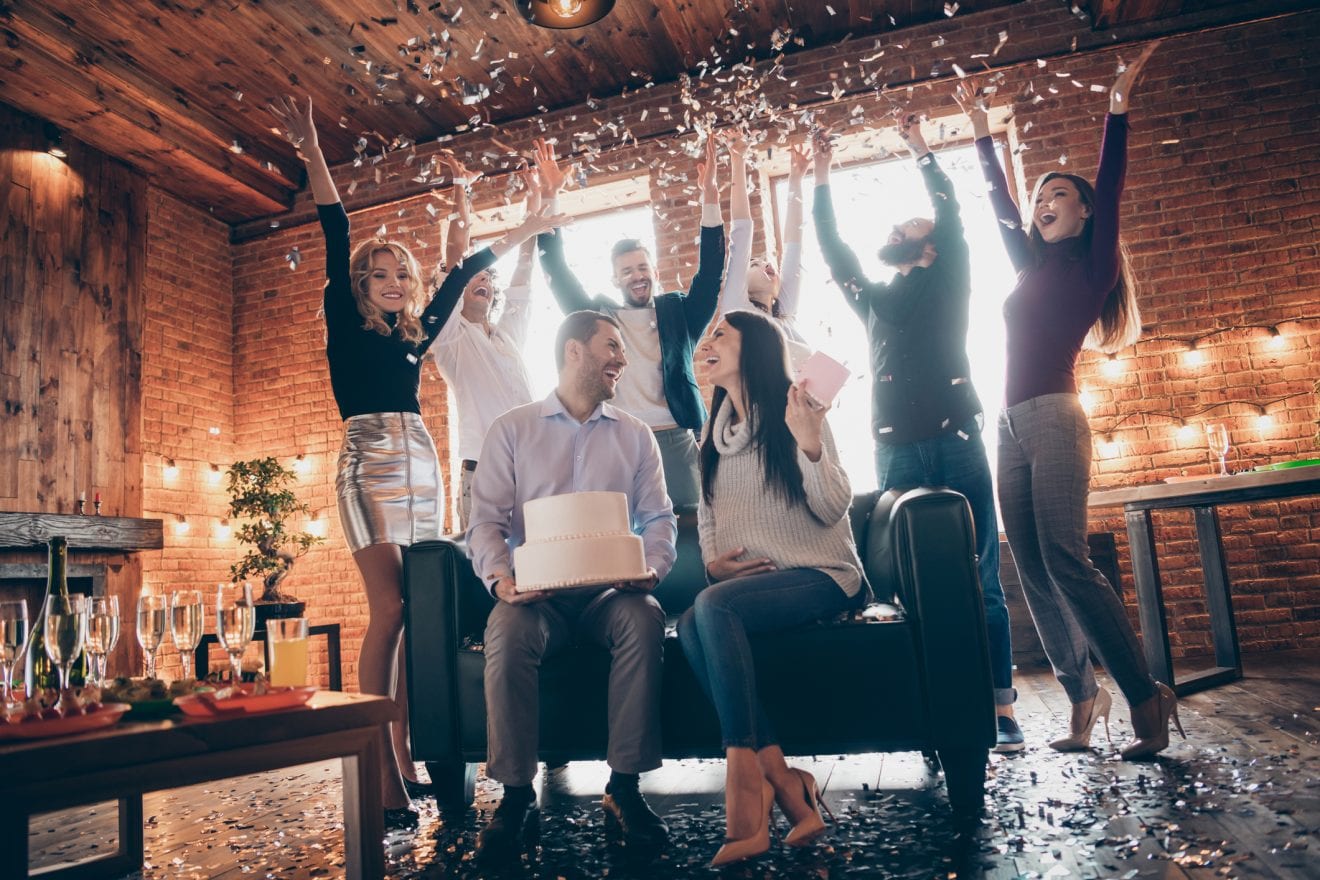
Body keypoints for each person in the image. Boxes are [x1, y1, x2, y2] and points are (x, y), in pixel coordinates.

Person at [267, 96, 567, 828]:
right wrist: (312, 149)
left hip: (423, 464)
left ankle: (405, 753)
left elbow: (467, 268)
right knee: (391, 609)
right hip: (367, 462)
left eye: (403, 275)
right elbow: (336, 230)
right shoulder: (345, 318)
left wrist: (535, 217)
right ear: (361, 286)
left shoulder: (417, 335)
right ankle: (377, 766)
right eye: (383, 276)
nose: (397, 283)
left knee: (420, 613)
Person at [959, 42, 1183, 760]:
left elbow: (1111, 183)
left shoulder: (1093, 266)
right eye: (1041, 197)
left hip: (1056, 417)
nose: (1043, 203)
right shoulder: (1030, 268)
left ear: (1084, 215)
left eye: (1058, 195)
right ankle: (1082, 696)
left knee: (1066, 557)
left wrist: (1117, 104)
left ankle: (1146, 695)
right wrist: (981, 133)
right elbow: (1000, 207)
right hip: (1008, 424)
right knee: (1028, 563)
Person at [810, 112, 1023, 752]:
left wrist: (920, 147)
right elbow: (835, 245)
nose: (898, 230)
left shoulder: (951, 275)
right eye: (896, 228)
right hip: (894, 450)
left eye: (911, 226)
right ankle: (933, 704)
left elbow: (950, 212)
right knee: (906, 580)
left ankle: (1000, 706)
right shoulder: (873, 298)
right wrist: (820, 173)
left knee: (979, 573)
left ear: (931, 243)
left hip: (956, 438)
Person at [467, 310, 678, 860]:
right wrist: (502, 579)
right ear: (574, 351)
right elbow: (485, 521)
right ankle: (516, 797)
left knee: (645, 613)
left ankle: (624, 790)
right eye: (612, 346)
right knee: (506, 628)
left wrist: (651, 568)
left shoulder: (636, 437)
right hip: (537, 599)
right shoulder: (512, 429)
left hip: (611, 595)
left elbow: (659, 518)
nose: (622, 359)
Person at [678, 310, 865, 866]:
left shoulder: (796, 409)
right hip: (751, 586)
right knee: (694, 617)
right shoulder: (712, 433)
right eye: (707, 333)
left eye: (720, 335)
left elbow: (833, 507)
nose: (706, 342)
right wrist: (715, 567)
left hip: (820, 573)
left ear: (754, 347)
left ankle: (747, 786)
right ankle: (784, 781)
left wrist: (809, 445)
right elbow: (708, 518)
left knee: (709, 609)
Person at [532, 137, 726, 509]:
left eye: (642, 268)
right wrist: (551, 197)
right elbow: (556, 269)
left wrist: (711, 197)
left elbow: (712, 272)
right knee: (623, 537)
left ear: (654, 271)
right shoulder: (598, 320)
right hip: (615, 439)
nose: (636, 276)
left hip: (676, 438)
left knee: (694, 529)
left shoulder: (679, 315)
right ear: (615, 280)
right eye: (626, 271)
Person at [430, 160, 542, 531]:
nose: (483, 280)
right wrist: (461, 186)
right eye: (473, 277)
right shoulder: (450, 337)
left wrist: (534, 201)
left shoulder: (507, 335)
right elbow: (454, 256)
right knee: (488, 572)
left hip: (533, 467)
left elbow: (525, 268)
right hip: (485, 472)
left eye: (487, 278)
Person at [720, 133, 812, 370]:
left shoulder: (785, 316)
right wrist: (738, 160)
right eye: (754, 264)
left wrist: (796, 179)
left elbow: (794, 246)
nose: (764, 264)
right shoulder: (737, 308)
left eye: (764, 261)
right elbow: (740, 234)